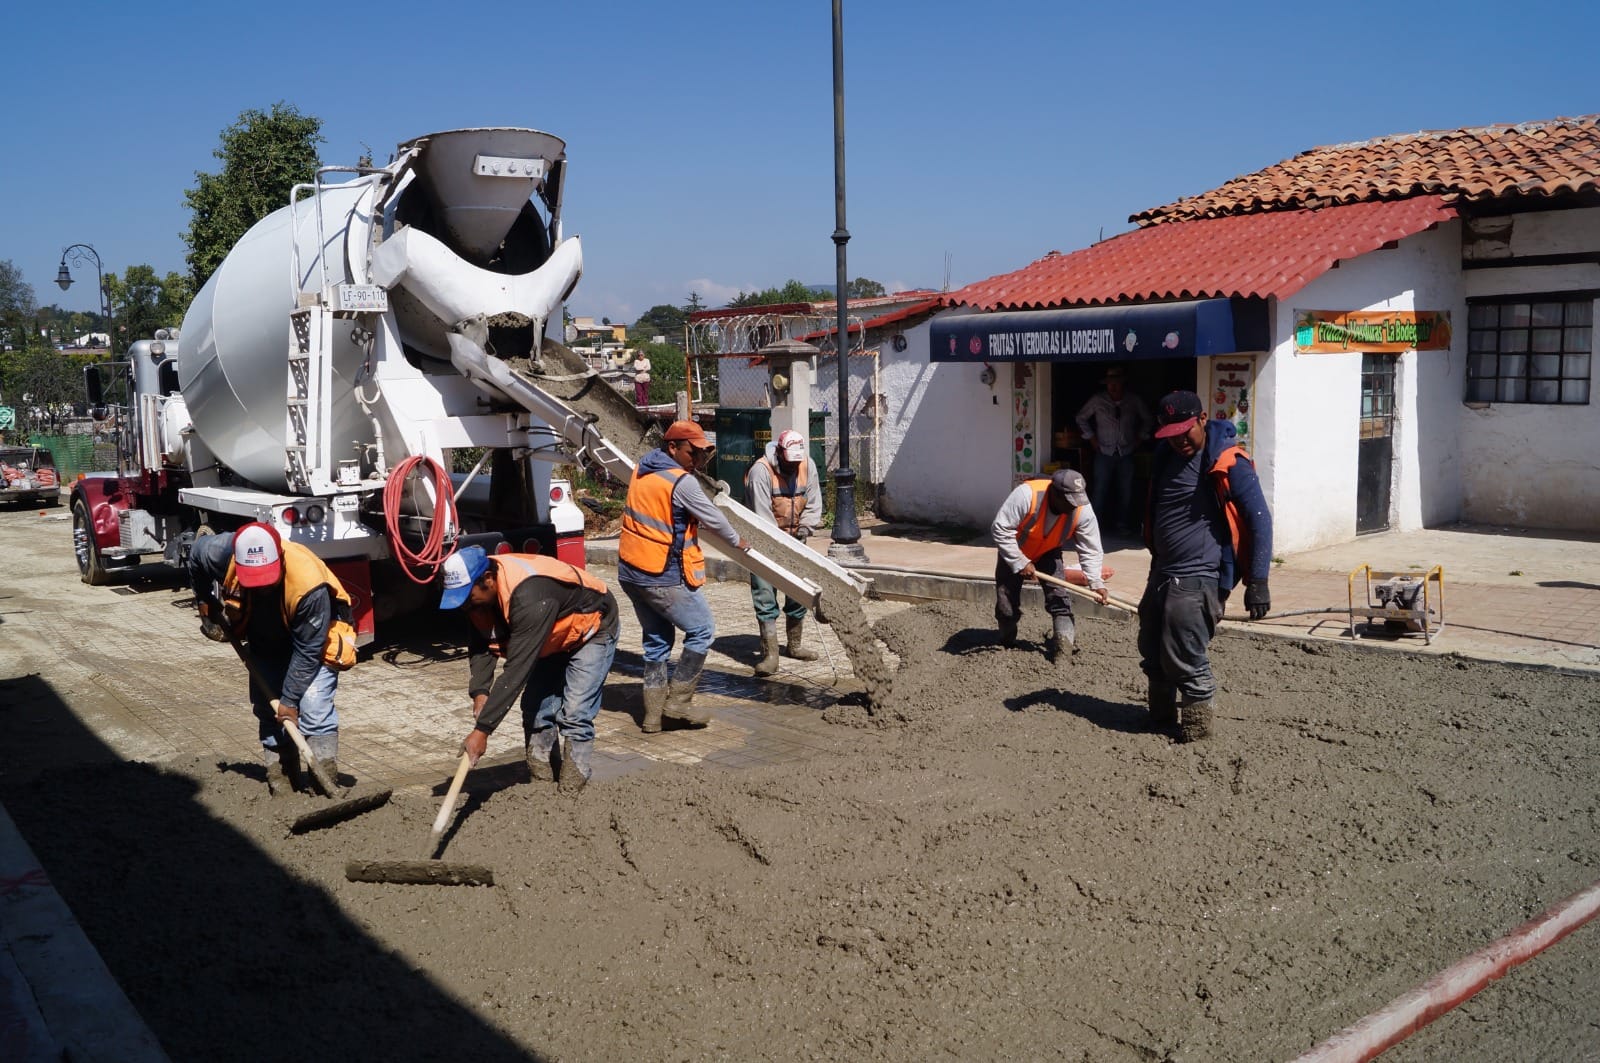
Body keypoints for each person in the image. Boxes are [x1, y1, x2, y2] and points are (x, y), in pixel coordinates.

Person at [1140, 390, 1274, 742]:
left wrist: (1258, 580)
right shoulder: (1164, 457)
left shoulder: (1229, 461)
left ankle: (1198, 730)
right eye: (1171, 435)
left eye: (1186, 431)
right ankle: (1160, 719)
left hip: (1200, 574)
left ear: (1202, 419)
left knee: (1184, 648)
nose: (1180, 441)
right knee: (1152, 645)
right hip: (1162, 569)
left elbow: (1259, 519)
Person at [189, 522, 358, 795]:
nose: (263, 588)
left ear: (279, 559)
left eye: (267, 580)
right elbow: (195, 554)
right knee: (268, 707)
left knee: (312, 706)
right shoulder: (220, 552)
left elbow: (307, 651)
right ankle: (282, 781)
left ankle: (323, 783)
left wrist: (290, 702)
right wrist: (204, 601)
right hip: (265, 636)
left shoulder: (308, 583)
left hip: (315, 638)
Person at [440, 546, 620, 793]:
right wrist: (480, 691)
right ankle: (542, 787)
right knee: (535, 708)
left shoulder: (528, 596)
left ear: (488, 580)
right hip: (550, 636)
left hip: (591, 626)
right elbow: (483, 643)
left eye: (467, 597)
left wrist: (483, 730)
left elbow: (516, 671)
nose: (465, 606)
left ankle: (572, 789)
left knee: (576, 711)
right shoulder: (479, 600)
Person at [618, 420, 750, 732]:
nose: (700, 461)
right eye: (694, 453)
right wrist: (738, 541)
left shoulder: (641, 470)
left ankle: (652, 717)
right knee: (702, 630)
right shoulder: (682, 482)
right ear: (673, 448)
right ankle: (677, 703)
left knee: (656, 641)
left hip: (631, 572)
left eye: (704, 454)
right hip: (660, 575)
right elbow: (713, 518)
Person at [990, 468, 1109, 659]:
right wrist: (1020, 561)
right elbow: (1000, 528)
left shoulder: (1082, 508)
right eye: (1068, 502)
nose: (1073, 507)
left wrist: (1096, 582)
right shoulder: (1027, 494)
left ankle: (1064, 648)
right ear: (1054, 492)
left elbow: (1091, 547)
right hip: (1014, 550)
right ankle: (1006, 644)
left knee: (1059, 598)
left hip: (1048, 551)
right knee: (1006, 603)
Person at [744, 428, 823, 676]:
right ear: (779, 453)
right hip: (763, 541)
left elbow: (813, 502)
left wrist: (805, 530)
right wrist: (780, 547)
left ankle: (794, 645)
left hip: (796, 539)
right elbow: (761, 516)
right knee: (765, 594)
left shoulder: (806, 465)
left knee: (798, 592)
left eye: (796, 463)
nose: (793, 468)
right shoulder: (761, 471)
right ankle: (770, 655)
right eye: (789, 463)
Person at [1074, 366, 1154, 536]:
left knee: (1126, 491)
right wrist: (1092, 438)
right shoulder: (1097, 400)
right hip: (1104, 451)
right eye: (1110, 383)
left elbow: (1148, 419)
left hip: (1126, 451)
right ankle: (1092, 527)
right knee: (1100, 490)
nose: (1113, 386)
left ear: (1123, 383)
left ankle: (1122, 525)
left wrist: (1140, 438)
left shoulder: (1133, 400)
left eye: (1116, 383)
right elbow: (1081, 418)